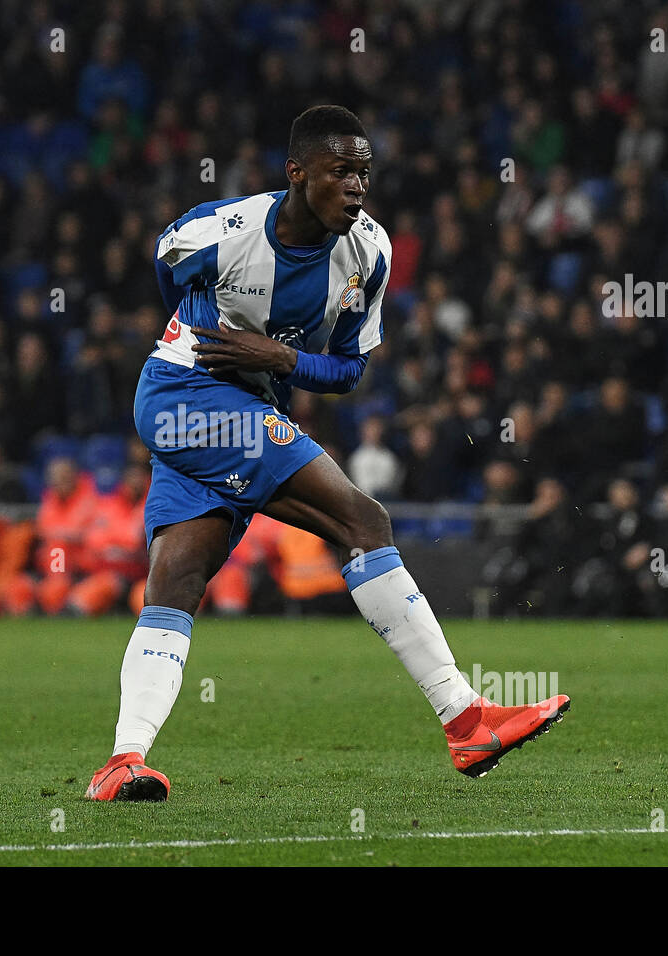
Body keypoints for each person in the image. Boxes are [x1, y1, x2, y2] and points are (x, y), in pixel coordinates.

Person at [86, 106, 569, 802]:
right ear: (298, 174)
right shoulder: (219, 233)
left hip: (251, 406)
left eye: (364, 173)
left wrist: (277, 356)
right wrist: (201, 334)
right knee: (362, 522)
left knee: (177, 581)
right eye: (341, 171)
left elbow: (347, 374)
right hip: (184, 393)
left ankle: (122, 763)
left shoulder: (369, 253)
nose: (356, 186)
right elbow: (166, 269)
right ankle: (466, 719)